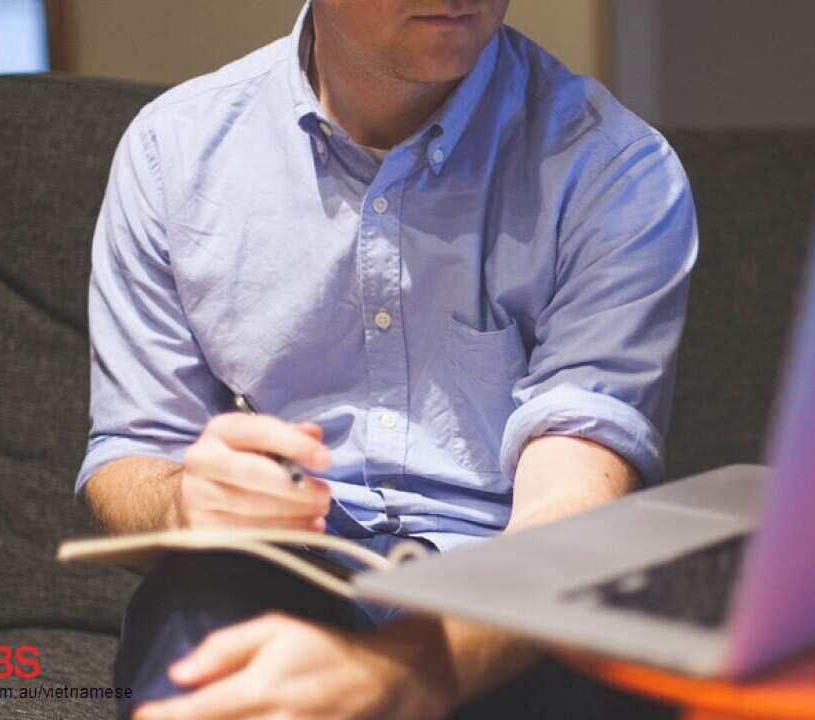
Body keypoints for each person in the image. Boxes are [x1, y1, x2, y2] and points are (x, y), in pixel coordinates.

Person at [77, 0, 697, 717]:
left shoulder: (613, 169)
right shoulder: (174, 154)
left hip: (508, 586)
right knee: (194, 613)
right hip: (282, 565)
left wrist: (403, 673)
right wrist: (185, 503)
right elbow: (131, 452)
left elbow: (569, 509)